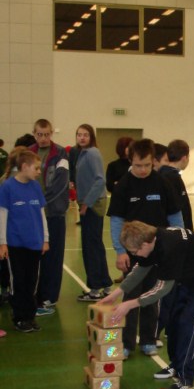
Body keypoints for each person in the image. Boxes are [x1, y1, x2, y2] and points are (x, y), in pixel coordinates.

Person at [99, 221, 194, 389]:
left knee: (188, 323)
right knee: (173, 319)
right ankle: (176, 364)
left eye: (135, 252)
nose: (134, 255)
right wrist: (117, 293)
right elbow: (141, 268)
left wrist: (129, 304)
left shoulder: (169, 248)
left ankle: (185, 378)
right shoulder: (151, 242)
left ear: (145, 244)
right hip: (186, 276)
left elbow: (161, 289)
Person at [107, 138, 183, 358]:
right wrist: (120, 251)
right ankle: (127, 343)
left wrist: (177, 244)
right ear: (130, 160)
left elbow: (175, 216)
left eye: (147, 165)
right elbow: (116, 220)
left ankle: (148, 339)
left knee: (152, 296)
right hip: (133, 253)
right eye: (138, 165)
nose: (142, 170)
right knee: (130, 295)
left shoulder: (162, 183)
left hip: (158, 252)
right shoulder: (123, 186)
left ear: (154, 161)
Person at [0, 147, 49, 332]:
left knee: (31, 281)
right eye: (36, 168)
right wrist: (2, 242)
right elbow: (2, 216)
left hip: (34, 243)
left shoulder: (35, 187)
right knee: (18, 281)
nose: (38, 172)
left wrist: (45, 239)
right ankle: (19, 317)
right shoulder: (7, 187)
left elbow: (41, 215)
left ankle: (30, 316)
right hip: (15, 245)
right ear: (24, 167)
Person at [30, 118, 69, 313]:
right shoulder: (28, 153)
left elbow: (61, 184)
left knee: (53, 257)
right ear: (34, 134)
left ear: (51, 133)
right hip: (32, 216)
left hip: (54, 214)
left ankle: (49, 298)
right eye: (39, 134)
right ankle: (33, 295)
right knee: (33, 257)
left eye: (46, 134)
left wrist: (41, 203)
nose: (43, 138)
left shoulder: (60, 154)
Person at [74, 124, 112, 301]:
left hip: (93, 205)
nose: (82, 138)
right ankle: (105, 285)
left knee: (90, 247)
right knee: (95, 245)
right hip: (89, 203)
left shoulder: (92, 153)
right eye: (79, 134)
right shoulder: (83, 153)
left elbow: (100, 180)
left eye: (85, 135)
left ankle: (95, 289)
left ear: (91, 137)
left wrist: (86, 204)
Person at [160, 139, 193, 230]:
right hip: (175, 231)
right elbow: (179, 208)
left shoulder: (165, 174)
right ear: (184, 158)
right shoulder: (172, 178)